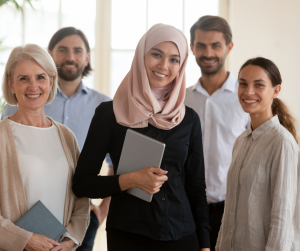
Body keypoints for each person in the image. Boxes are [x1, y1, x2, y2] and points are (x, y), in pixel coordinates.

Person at [72, 24, 210, 251]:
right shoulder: (110, 113)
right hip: (129, 237)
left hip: (183, 236)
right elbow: (82, 184)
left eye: (174, 60)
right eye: (156, 54)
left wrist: (205, 244)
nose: (164, 66)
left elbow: (195, 186)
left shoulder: (189, 119)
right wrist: (129, 180)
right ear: (141, 56)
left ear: (182, 65)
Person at [1, 27, 113, 251]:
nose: (33, 86)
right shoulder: (2, 135)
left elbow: (80, 199)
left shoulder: (65, 136)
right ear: (11, 84)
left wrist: (71, 239)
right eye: (23, 79)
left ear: (51, 82)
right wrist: (25, 239)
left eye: (40, 77)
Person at [216, 57, 299, 251]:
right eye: (242, 84)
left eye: (258, 85)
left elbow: (282, 220)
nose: (248, 92)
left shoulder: (282, 143)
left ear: (276, 91)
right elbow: (230, 212)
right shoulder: (241, 140)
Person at [184, 15, 249, 250]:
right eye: (201, 45)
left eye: (215, 45)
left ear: (229, 47)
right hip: (187, 210)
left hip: (234, 210)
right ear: (192, 48)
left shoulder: (246, 99)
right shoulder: (181, 99)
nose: (208, 52)